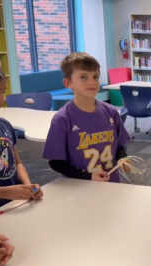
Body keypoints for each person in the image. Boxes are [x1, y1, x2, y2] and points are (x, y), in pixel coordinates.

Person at [43, 52, 130, 182]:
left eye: (95, 77)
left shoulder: (111, 112)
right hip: (79, 186)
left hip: (111, 183)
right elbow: (56, 162)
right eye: (83, 77)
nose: (92, 82)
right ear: (68, 83)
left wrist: (122, 158)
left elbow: (119, 146)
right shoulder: (62, 119)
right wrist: (87, 176)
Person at [0, 65, 43, 211]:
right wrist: (6, 192)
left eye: (3, 92)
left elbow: (17, 163)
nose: (2, 98)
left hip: (13, 206)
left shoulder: (5, 125)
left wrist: (28, 186)